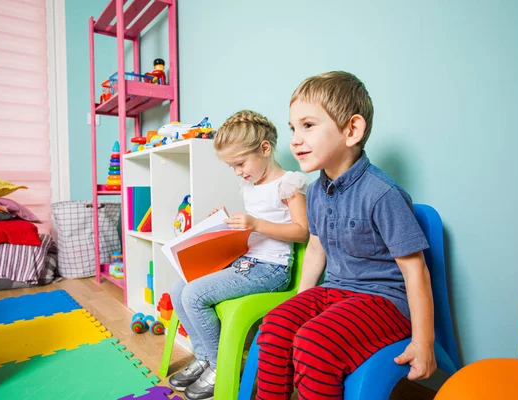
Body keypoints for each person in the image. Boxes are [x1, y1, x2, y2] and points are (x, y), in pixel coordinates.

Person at [256, 71, 437, 400]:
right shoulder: (314, 192)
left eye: (308, 125)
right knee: (275, 325)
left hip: (384, 303)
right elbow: (315, 250)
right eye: (293, 128)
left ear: (351, 130)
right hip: (336, 292)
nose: (295, 139)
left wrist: (423, 343)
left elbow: (415, 270)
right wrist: (300, 301)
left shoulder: (381, 193)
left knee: (313, 343)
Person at [169, 110, 309, 400]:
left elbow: (302, 231)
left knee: (194, 295)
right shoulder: (249, 185)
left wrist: (255, 224)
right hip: (246, 262)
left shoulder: (289, 184)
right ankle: (205, 357)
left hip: (272, 269)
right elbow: (250, 230)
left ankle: (221, 368)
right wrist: (226, 221)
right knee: (179, 287)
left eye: (240, 163)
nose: (238, 171)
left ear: (265, 149)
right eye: (232, 166)